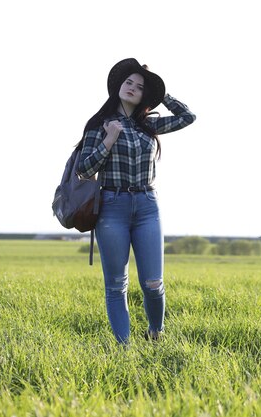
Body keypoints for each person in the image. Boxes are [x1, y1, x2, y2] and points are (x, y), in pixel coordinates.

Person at [77, 58, 196, 343]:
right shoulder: (100, 124)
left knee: (153, 283)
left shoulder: (148, 126)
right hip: (112, 208)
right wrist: (108, 140)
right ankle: (124, 349)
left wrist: (161, 92)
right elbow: (84, 169)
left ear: (145, 96)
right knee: (117, 286)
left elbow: (187, 117)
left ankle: (155, 333)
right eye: (128, 82)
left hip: (146, 207)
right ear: (119, 85)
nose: (132, 88)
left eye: (140, 86)